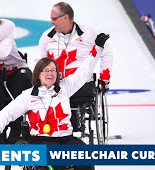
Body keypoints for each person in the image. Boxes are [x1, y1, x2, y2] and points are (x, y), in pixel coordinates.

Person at [0, 33, 110, 170]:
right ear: (38, 74)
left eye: (53, 70)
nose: (50, 73)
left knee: (82, 155)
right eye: (46, 70)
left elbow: (84, 71)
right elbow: (8, 112)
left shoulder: (65, 87)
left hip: (66, 139)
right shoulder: (28, 95)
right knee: (56, 157)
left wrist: (97, 48)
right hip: (40, 140)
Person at [38, 2, 113, 131]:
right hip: (56, 83)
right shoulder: (47, 36)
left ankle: (72, 125)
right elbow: (39, 61)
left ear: (65, 17)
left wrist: (104, 78)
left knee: (70, 94)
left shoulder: (90, 32)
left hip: (81, 83)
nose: (51, 22)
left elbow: (106, 52)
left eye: (54, 18)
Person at [0, 9, 32, 144]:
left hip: (15, 69)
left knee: (24, 83)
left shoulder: (5, 35)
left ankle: (17, 129)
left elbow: (1, 53)